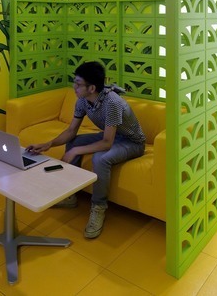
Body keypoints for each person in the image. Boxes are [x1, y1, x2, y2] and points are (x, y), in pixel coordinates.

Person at [26, 61, 146, 239]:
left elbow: (106, 143)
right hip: (111, 137)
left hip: (132, 142)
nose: (74, 87)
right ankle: (70, 195)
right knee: (73, 141)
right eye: (74, 82)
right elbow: (71, 131)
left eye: (78, 84)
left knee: (100, 158)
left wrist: (75, 151)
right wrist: (48, 144)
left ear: (91, 88)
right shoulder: (82, 101)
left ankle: (99, 207)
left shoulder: (112, 103)